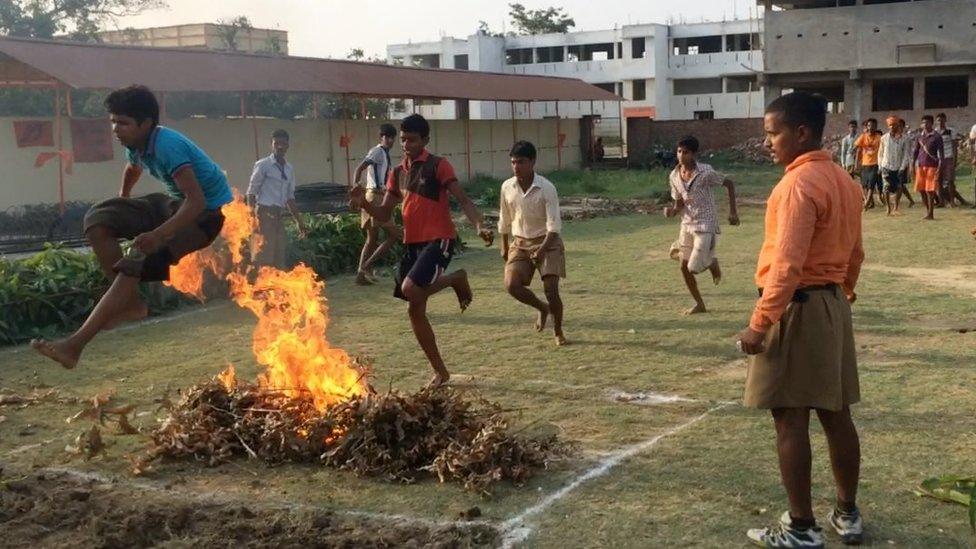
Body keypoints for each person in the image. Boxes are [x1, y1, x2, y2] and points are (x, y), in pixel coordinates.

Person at [30, 85, 233, 369]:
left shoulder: (167, 146)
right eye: (113, 121)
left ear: (146, 123)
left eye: (123, 123)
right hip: (173, 203)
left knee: (135, 260)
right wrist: (123, 201)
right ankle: (130, 302)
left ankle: (74, 345)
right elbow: (133, 168)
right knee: (98, 219)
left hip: (205, 216)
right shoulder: (136, 145)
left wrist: (158, 235)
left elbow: (197, 202)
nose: (115, 129)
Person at [738, 92, 864, 549]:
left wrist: (759, 322)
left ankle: (801, 527)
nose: (767, 142)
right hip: (831, 305)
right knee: (836, 413)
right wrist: (842, 294)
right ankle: (847, 513)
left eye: (773, 133)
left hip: (799, 307)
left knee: (790, 419)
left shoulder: (796, 185)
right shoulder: (845, 181)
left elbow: (786, 267)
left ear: (802, 133)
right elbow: (855, 253)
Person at [349, 114, 493, 388]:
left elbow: (462, 199)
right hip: (412, 244)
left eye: (412, 140)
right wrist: (363, 204)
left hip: (439, 239)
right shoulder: (397, 173)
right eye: (403, 140)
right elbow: (382, 212)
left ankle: (455, 278)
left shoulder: (438, 165)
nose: (406, 144)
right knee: (414, 310)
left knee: (411, 288)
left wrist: (479, 225)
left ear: (425, 140)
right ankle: (441, 372)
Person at [498, 141, 567, 346]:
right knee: (511, 285)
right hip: (520, 242)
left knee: (551, 289)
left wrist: (542, 249)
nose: (516, 167)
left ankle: (558, 330)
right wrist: (503, 245)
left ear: (532, 162)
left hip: (548, 241)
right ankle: (542, 308)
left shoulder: (547, 188)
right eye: (513, 162)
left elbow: (554, 227)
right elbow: (504, 219)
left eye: (521, 162)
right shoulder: (507, 187)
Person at [665, 135, 740, 315]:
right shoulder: (674, 175)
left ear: (694, 154)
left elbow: (728, 183)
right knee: (683, 267)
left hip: (706, 224)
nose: (681, 156)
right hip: (687, 224)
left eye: (686, 152)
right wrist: (672, 211)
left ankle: (711, 262)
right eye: (679, 151)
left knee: (693, 267)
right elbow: (679, 203)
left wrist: (733, 212)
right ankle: (699, 304)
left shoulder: (705, 172)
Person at [246, 129, 309, 269]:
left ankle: (277, 289)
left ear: (288, 145)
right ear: (271, 144)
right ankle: (260, 289)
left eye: (283, 143)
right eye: (276, 143)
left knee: (279, 255)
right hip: (263, 214)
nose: (280, 146)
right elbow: (251, 192)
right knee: (263, 257)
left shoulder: (289, 169)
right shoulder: (263, 165)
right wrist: (252, 217)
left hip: (279, 215)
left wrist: (299, 222)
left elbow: (290, 198)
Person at [352, 124, 402, 285]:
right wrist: (355, 186)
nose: (390, 140)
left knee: (371, 239)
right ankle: (366, 266)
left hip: (377, 195)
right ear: (381, 138)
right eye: (387, 137)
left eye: (392, 137)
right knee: (394, 235)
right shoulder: (378, 151)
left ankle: (361, 274)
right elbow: (360, 168)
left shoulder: (384, 154)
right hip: (375, 196)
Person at [878, 116, 912, 216]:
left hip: (899, 167)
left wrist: (902, 168)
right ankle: (888, 208)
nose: (892, 127)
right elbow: (880, 153)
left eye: (894, 125)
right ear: (888, 127)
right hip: (886, 166)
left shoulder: (905, 139)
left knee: (899, 187)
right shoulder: (884, 138)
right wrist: (880, 166)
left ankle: (896, 207)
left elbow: (906, 154)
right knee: (886, 188)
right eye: (890, 125)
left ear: (898, 126)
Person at [912, 115, 944, 221]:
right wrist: (912, 164)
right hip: (921, 165)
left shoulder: (937, 136)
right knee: (921, 189)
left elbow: (940, 154)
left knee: (929, 191)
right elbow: (915, 151)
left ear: (931, 123)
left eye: (927, 123)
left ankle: (931, 213)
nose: (925, 125)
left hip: (932, 166)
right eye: (923, 123)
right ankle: (927, 211)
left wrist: (940, 166)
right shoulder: (919, 136)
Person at [934, 112, 968, 207]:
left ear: (945, 120)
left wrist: (955, 160)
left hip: (949, 158)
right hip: (938, 159)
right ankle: (941, 202)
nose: (940, 122)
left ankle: (952, 201)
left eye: (942, 120)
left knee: (950, 181)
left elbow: (954, 146)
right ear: (936, 122)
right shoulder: (935, 132)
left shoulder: (951, 131)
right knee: (939, 181)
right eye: (938, 120)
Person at [853, 118, 882, 210]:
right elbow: (857, 147)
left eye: (873, 126)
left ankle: (866, 204)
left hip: (875, 164)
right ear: (867, 126)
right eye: (869, 125)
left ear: (876, 127)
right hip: (865, 164)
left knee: (871, 185)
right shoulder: (863, 136)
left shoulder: (879, 138)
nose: (871, 127)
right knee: (864, 184)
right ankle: (869, 202)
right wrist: (856, 163)